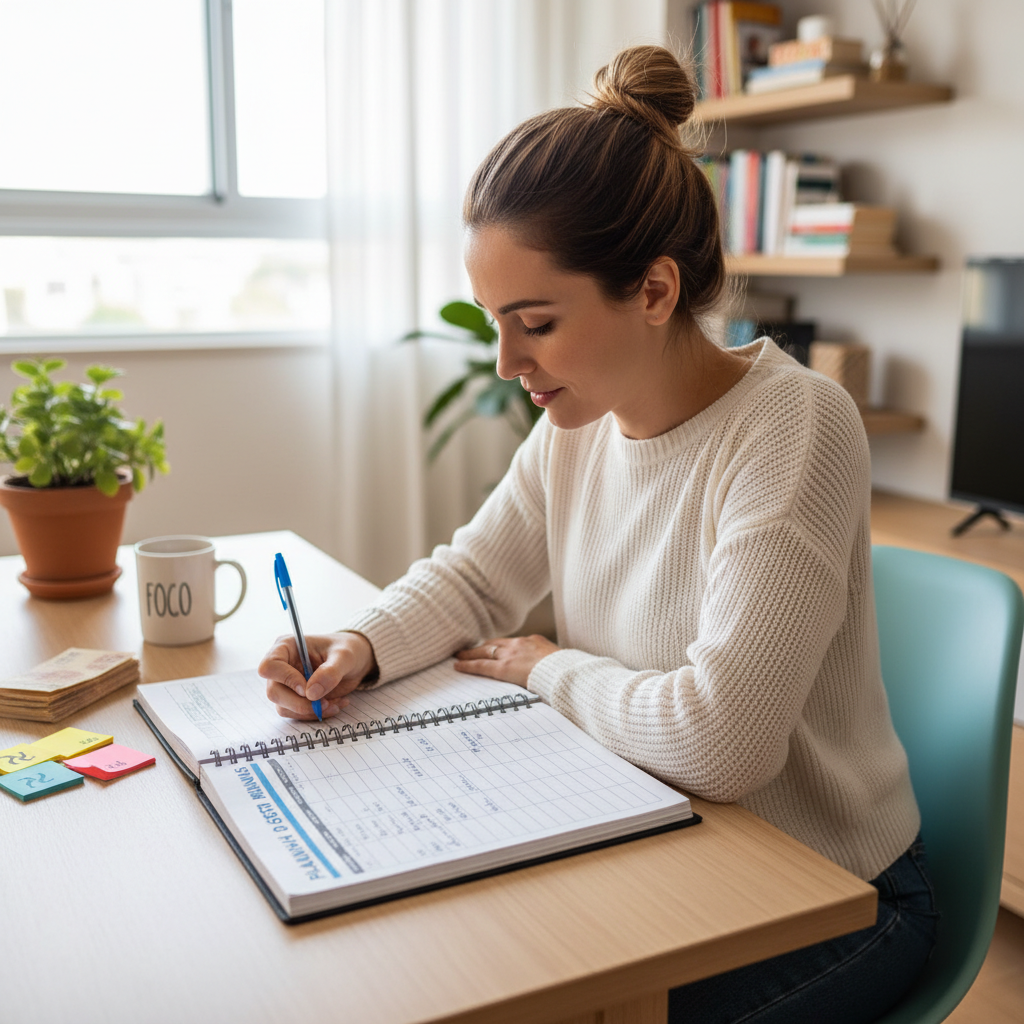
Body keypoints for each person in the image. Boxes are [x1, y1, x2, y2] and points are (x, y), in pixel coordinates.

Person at [259, 45, 937, 1024]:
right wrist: (358, 646)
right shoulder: (578, 427)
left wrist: (545, 668)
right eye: (498, 321)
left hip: (828, 892)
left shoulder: (794, 427)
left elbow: (724, 740)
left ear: (654, 291)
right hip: (667, 837)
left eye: (533, 321)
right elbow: (473, 579)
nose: (504, 360)